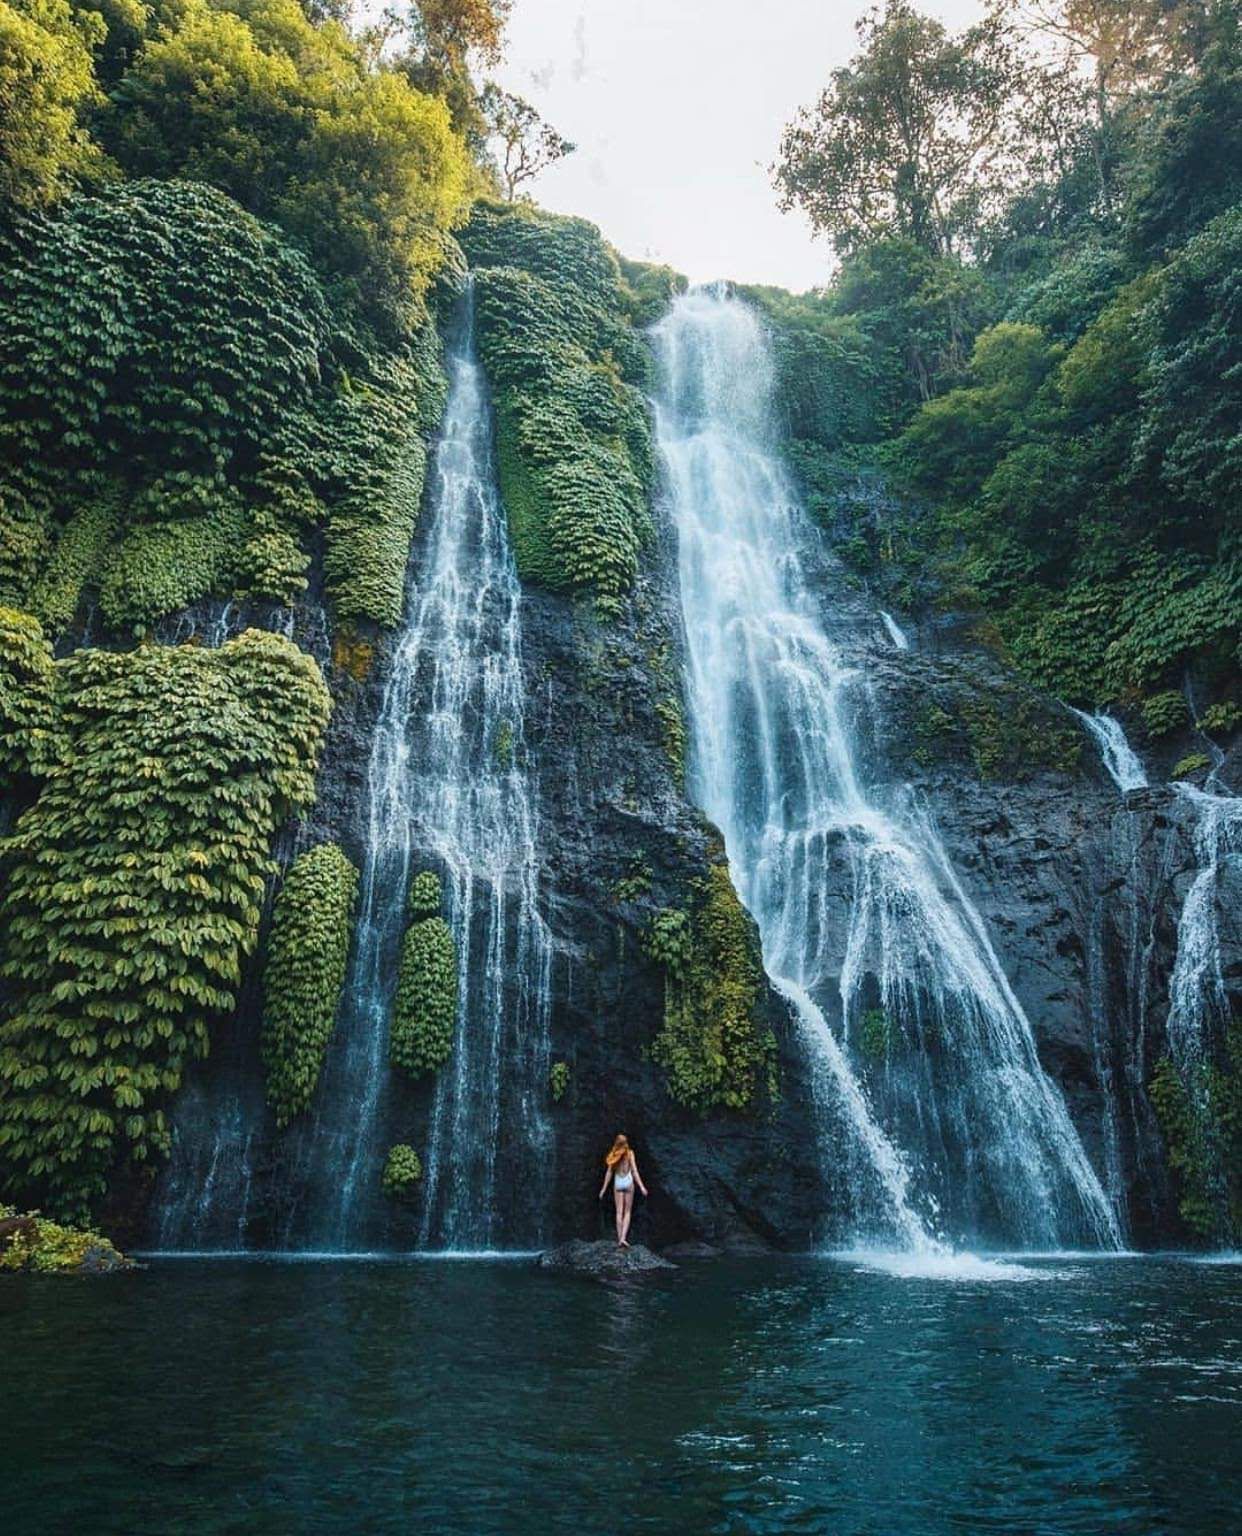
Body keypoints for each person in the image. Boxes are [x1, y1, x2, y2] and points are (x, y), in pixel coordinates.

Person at [598, 1133, 648, 1247]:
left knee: (619, 1212)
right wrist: (642, 1187)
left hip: (618, 1183)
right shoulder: (630, 1154)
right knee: (627, 1212)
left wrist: (603, 1189)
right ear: (626, 1143)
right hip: (628, 1182)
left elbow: (609, 1173)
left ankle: (619, 1239)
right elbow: (634, 1172)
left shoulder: (613, 1155)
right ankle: (623, 1238)